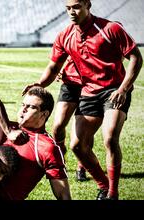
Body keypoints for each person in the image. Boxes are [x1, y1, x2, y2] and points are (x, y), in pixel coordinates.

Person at [23, 0, 142, 200]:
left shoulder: (110, 29)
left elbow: (136, 58)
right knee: (77, 145)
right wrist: (39, 85)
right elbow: (53, 67)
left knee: (110, 137)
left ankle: (112, 193)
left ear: (88, 5)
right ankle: (103, 185)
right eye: (68, 8)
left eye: (76, 7)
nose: (72, 11)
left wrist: (124, 88)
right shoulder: (65, 35)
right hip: (88, 92)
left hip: (114, 89)